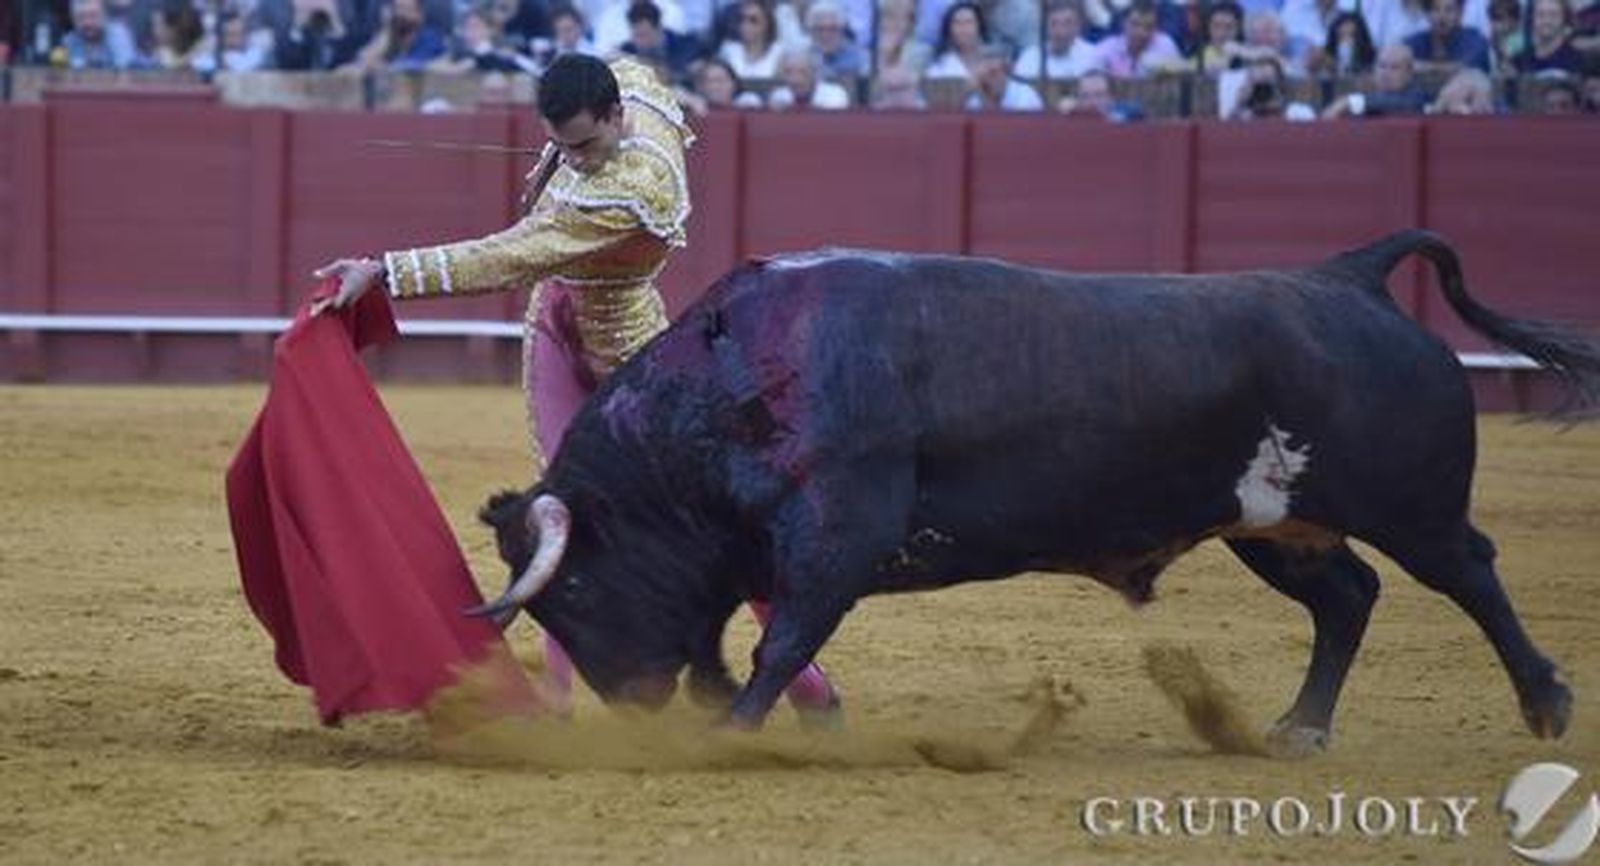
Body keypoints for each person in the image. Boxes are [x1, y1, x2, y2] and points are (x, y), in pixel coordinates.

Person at [312, 55, 839, 720]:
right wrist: (564, 149)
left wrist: (385, 270)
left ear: (616, 117)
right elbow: (632, 68)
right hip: (555, 328)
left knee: (721, 516)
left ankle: (806, 683)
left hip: (634, 356)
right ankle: (554, 701)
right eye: (562, 146)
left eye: (586, 145)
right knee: (557, 510)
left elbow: (508, 255)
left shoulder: (632, 189)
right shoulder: (630, 89)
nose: (576, 161)